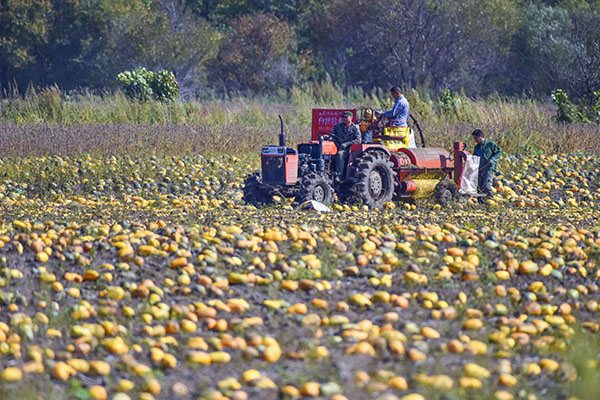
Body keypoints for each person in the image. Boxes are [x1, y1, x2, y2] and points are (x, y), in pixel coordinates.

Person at [472, 129, 502, 200]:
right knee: (479, 188)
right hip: (480, 169)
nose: (475, 140)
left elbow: (498, 153)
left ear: (480, 137)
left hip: (489, 168)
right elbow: (474, 158)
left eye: (476, 138)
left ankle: (490, 199)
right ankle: (481, 203)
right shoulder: (476, 148)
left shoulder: (490, 144)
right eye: (474, 138)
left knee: (486, 186)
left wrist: (492, 160)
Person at [331, 111, 360, 177]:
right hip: (337, 147)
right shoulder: (338, 127)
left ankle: (339, 175)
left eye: (346, 117)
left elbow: (358, 140)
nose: (344, 119)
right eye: (343, 117)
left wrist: (347, 144)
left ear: (351, 118)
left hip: (349, 149)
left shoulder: (355, 128)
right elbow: (332, 136)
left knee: (340, 154)